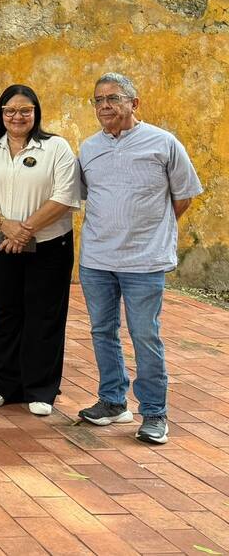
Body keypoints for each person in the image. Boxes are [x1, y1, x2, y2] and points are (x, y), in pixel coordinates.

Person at [76, 73, 202, 445]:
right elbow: (87, 196)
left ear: (135, 102)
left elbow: (185, 194)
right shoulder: (89, 148)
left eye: (113, 98)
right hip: (97, 258)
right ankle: (113, 401)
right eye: (98, 100)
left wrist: (153, 229)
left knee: (145, 335)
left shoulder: (163, 143)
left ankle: (154, 413)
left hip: (144, 262)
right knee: (102, 331)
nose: (104, 106)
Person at [0, 84, 81, 416]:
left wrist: (24, 229)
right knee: (5, 312)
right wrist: (7, 226)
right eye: (10, 111)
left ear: (36, 113)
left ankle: (41, 389)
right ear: (1, 114)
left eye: (25, 110)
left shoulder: (55, 147)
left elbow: (65, 196)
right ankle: (3, 384)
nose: (18, 117)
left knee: (44, 314)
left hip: (48, 247)